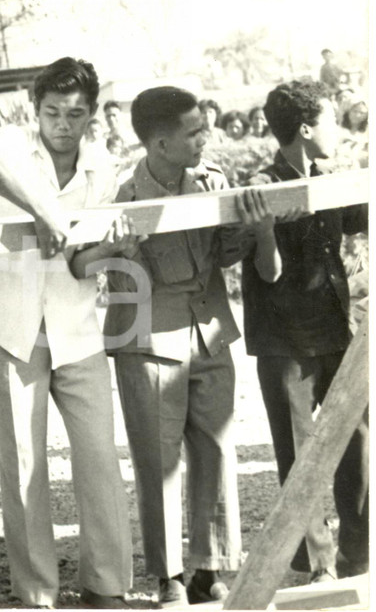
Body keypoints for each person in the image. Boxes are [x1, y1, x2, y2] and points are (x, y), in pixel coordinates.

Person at [96, 86, 274, 607]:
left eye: (205, 127)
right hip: (149, 341)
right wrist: (121, 249)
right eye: (194, 131)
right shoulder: (124, 200)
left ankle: (208, 566)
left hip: (211, 333)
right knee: (158, 460)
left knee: (217, 451)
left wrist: (245, 224)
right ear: (159, 143)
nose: (206, 138)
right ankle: (169, 574)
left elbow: (224, 256)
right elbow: (108, 271)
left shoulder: (213, 182)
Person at [0, 57, 133, 609]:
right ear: (36, 110)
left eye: (76, 113)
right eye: (53, 112)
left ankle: (106, 585)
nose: (63, 123)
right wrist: (43, 209)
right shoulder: (12, 145)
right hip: (14, 326)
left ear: (91, 117)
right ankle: (37, 591)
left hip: (76, 326)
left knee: (100, 460)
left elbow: (83, 261)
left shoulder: (102, 168)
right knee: (24, 465)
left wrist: (116, 249)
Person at [241, 79, 369, 583]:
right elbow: (267, 273)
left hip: (337, 328)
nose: (339, 130)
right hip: (284, 341)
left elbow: (363, 216)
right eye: (333, 120)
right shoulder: (260, 185)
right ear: (306, 129)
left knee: (356, 443)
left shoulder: (333, 176)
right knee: (298, 455)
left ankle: (358, 554)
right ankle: (317, 563)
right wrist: (266, 229)